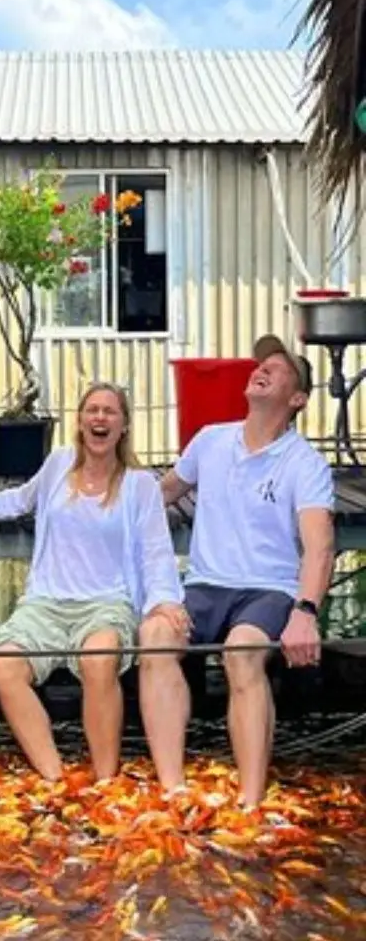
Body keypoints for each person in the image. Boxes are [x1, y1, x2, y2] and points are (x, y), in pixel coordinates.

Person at [0, 383, 185, 781]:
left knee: (99, 658)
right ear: (80, 421)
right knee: (4, 662)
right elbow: (17, 499)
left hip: (106, 604)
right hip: (45, 603)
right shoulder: (58, 465)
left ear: (124, 425)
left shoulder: (140, 485)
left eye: (110, 412)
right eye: (92, 410)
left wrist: (165, 601)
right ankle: (55, 778)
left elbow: (156, 552)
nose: (100, 418)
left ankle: (104, 780)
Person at [139, 335, 334, 809]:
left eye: (278, 366)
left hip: (269, 590)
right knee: (154, 635)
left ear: (297, 399)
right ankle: (174, 790)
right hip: (205, 585)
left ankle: (250, 800)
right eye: (260, 363)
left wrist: (305, 611)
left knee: (241, 651)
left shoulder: (305, 463)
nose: (262, 368)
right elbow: (153, 497)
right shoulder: (210, 439)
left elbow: (321, 545)